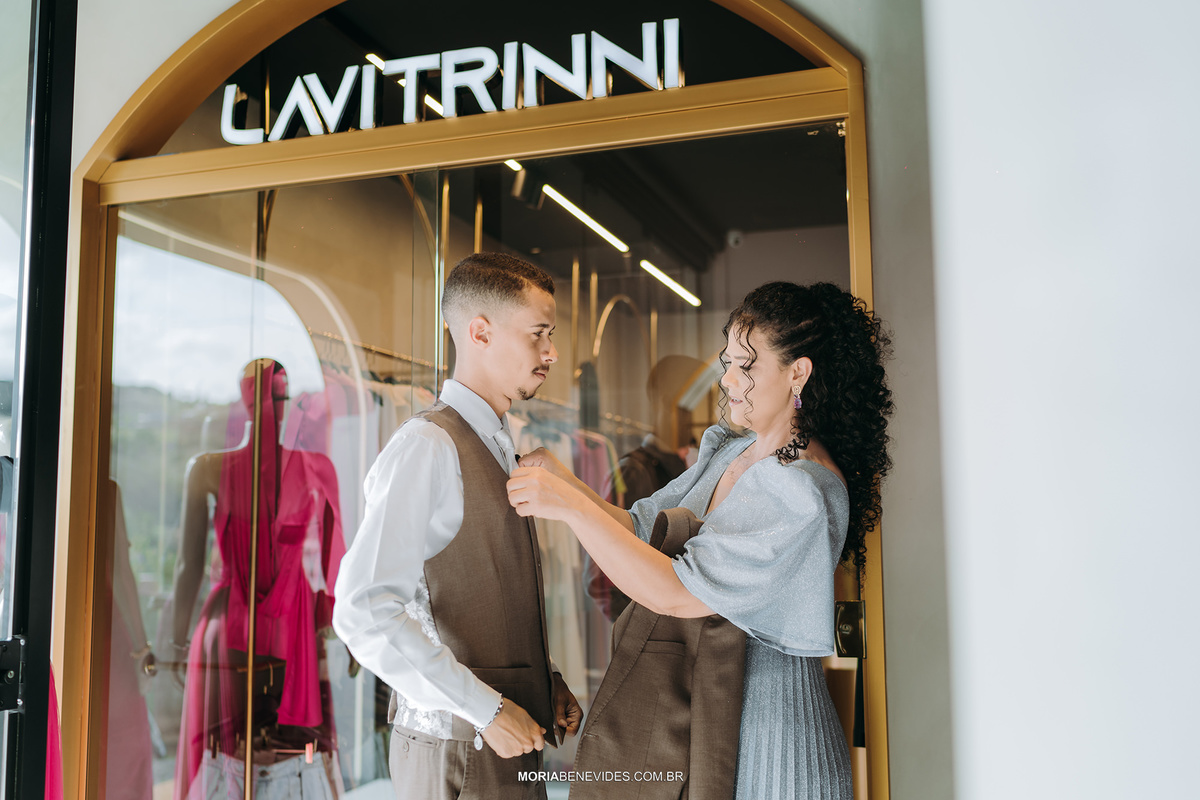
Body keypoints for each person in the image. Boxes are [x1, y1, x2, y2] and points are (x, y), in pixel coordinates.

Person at [507, 281, 893, 799]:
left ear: (798, 373)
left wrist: (569, 505)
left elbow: (676, 591)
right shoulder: (732, 451)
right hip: (712, 724)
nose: (728, 380)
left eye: (746, 366)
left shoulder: (802, 489)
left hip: (770, 750)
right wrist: (566, 481)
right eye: (727, 361)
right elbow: (640, 529)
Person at [333, 252, 582, 800]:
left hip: (506, 739)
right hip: (458, 752)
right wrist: (488, 708)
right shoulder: (426, 446)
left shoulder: (500, 443)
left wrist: (544, 679)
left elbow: (479, 594)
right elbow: (363, 612)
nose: (552, 353)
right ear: (480, 332)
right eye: (539, 334)